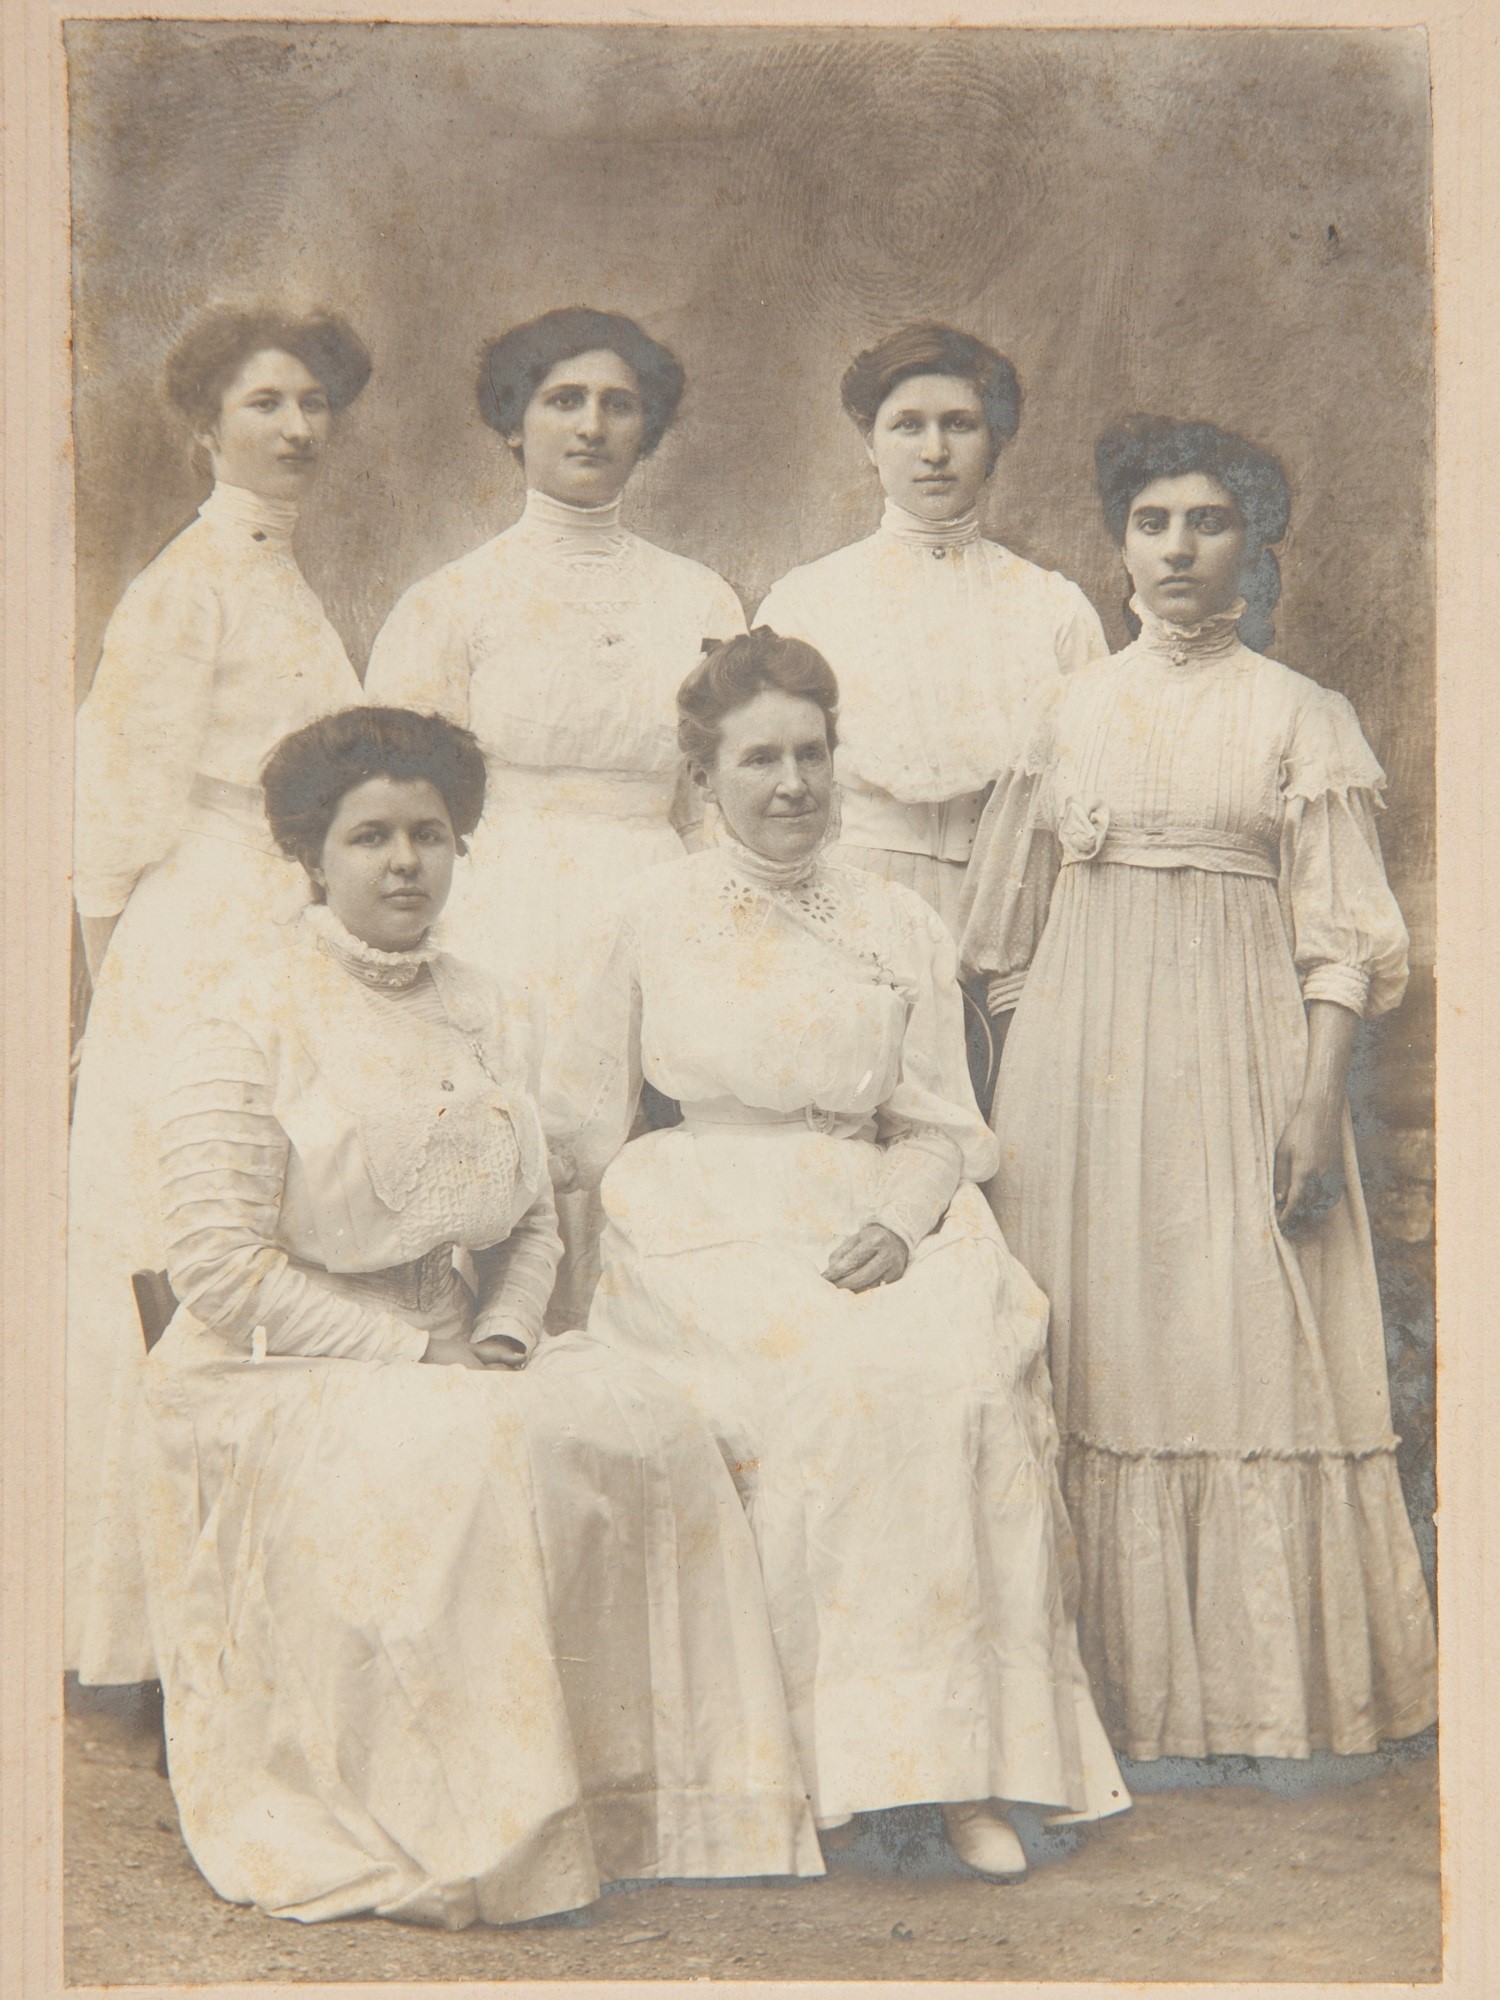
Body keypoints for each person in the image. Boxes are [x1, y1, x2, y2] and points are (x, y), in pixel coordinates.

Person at [134, 705, 821, 1928]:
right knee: (465, 1456)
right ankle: (484, 1825)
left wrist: (501, 1329)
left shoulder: (491, 1002)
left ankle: (653, 1807)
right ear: (311, 855)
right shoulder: (243, 1009)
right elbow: (218, 1266)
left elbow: (536, 1215)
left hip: (461, 1338)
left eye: (432, 834)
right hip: (276, 1365)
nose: (406, 863)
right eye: (371, 838)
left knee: (653, 1427)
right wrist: (414, 1349)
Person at [544, 629, 1130, 1884]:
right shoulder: (648, 911)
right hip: (699, 1217)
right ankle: (822, 1769)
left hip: (875, 1205)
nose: (793, 783)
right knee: (819, 1390)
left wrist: (902, 1220)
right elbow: (587, 1128)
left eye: (812, 752)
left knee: (951, 1379)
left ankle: (972, 1766)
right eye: (760, 758)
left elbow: (936, 1125)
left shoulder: (898, 917)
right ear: (704, 776)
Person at [959, 415, 1438, 1762]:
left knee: (1234, 1338)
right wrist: (1034, 1078)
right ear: (1119, 545)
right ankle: (1086, 1713)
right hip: (1075, 1076)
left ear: (1254, 547)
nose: (1179, 549)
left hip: (1244, 1060)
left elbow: (1344, 935)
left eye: (1209, 523)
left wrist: (1310, 1099)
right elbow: (1001, 938)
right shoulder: (1063, 711)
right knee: (1095, 1339)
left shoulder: (1302, 715)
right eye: (1154, 523)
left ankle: (1251, 1702)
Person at [68, 305, 373, 1685]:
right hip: (194, 931)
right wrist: (112, 1008)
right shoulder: (185, 584)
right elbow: (113, 817)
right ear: (205, 426)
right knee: (176, 1232)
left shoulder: (285, 576)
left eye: (314, 403)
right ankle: (147, 1632)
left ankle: (254, 1614)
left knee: (275, 1234)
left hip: (280, 923)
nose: (297, 430)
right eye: (266, 405)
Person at [365, 305, 745, 1320]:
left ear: (649, 428)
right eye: (562, 400)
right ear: (512, 423)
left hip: (655, 900)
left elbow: (717, 794)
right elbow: (395, 804)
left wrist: (717, 925)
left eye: (620, 405)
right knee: (503, 1157)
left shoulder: (700, 596)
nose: (591, 426)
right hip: (498, 907)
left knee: (635, 1171)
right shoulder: (452, 599)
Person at [756, 323, 1106, 934]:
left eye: (960, 425)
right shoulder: (805, 602)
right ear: (870, 443)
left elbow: (1095, 780)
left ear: (994, 441)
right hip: (848, 896)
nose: (935, 452)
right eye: (908, 425)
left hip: (1015, 900)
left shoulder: (1055, 608)